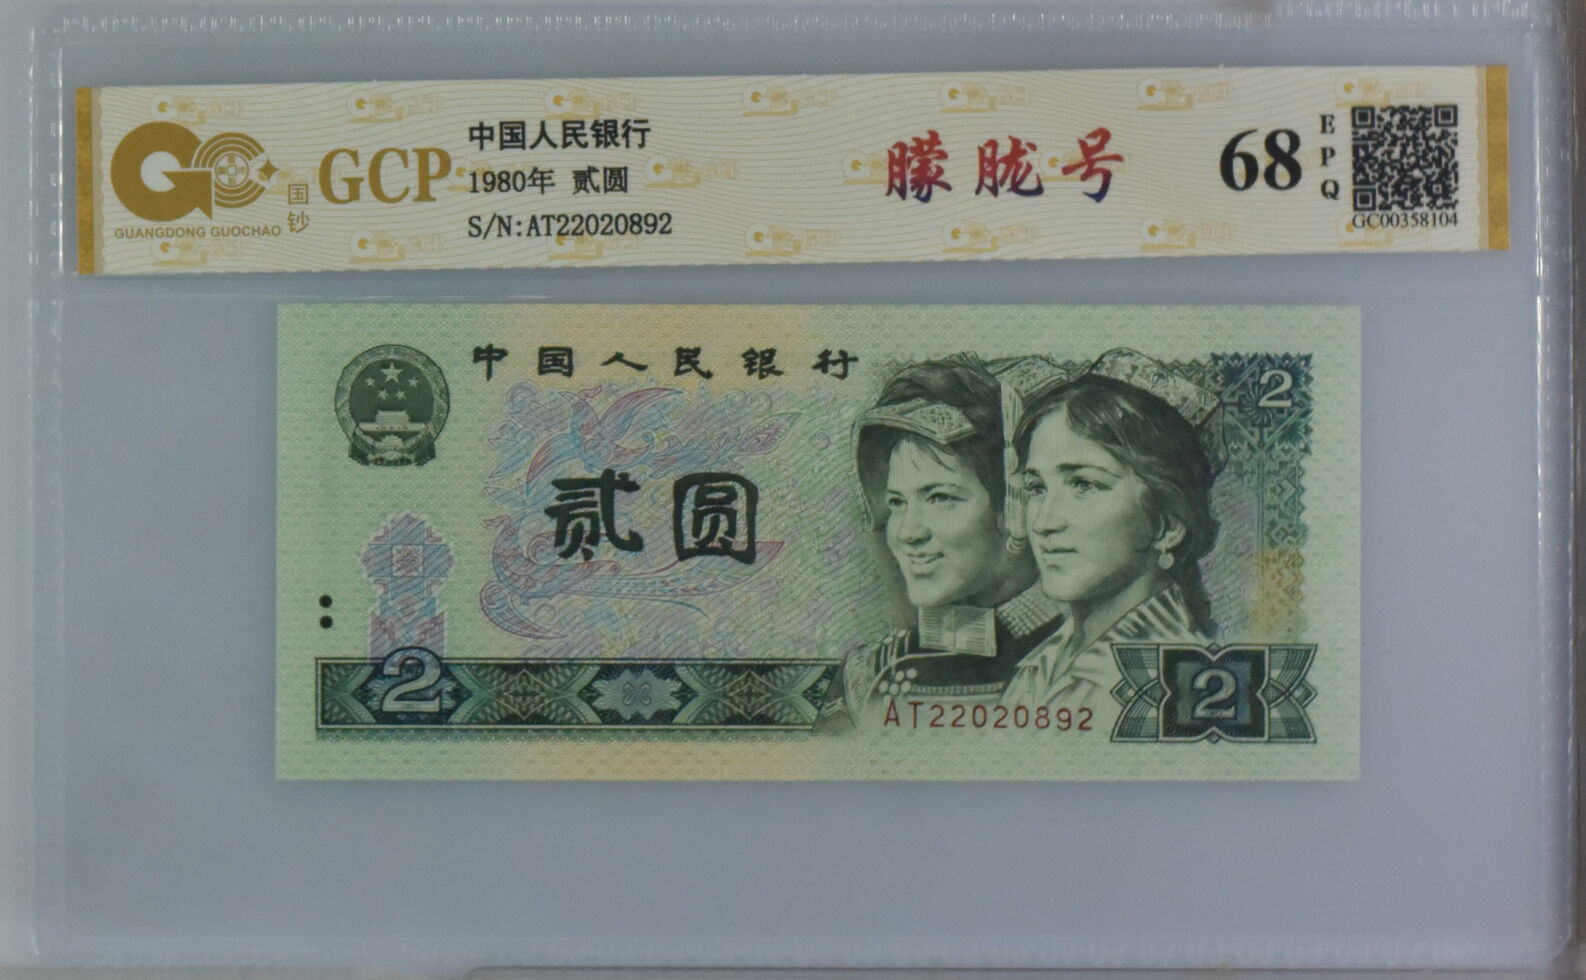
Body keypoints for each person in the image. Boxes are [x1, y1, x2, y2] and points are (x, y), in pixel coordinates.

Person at [816, 353, 1067, 732]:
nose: (907, 533)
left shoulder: (1094, 654)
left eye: (939, 498)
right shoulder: (869, 676)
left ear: (1016, 505)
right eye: (897, 503)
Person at [998, 349, 1223, 728]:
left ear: (1167, 525)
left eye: (1083, 484)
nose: (1043, 522)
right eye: (1036, 488)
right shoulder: (1039, 666)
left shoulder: (1178, 686)